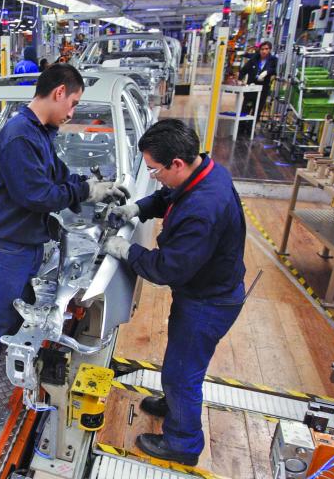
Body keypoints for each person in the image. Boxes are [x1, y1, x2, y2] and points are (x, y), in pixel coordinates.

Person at [0, 63, 129, 429]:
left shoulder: (40, 132)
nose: (72, 112)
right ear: (58, 93)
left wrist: (91, 185)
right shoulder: (20, 136)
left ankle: (10, 361)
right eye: (73, 103)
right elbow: (36, 194)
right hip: (8, 246)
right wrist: (84, 192)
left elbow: (56, 174)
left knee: (18, 311)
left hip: (28, 241)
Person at [103, 119, 246, 465]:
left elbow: (167, 268)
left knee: (182, 372)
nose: (153, 176)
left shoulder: (203, 210)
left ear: (177, 163)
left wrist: (125, 250)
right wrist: (137, 208)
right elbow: (169, 194)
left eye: (155, 169)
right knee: (180, 361)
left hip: (209, 301)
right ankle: (174, 405)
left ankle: (182, 443)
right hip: (207, 290)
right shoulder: (205, 172)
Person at [238, 41, 277, 120]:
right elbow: (243, 70)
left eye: (266, 49)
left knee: (256, 112)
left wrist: (267, 72)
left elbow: (275, 70)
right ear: (259, 50)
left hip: (263, 90)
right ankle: (241, 129)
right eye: (262, 49)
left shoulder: (273, 60)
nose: (264, 51)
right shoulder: (254, 59)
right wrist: (240, 80)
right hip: (250, 90)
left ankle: (250, 129)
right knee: (245, 110)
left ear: (270, 50)